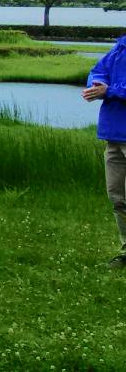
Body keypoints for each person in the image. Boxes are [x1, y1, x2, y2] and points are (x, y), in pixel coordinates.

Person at [83, 31, 126, 267]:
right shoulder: (120, 48)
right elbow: (97, 71)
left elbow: (112, 88)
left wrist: (109, 91)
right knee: (117, 197)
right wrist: (96, 85)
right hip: (114, 135)